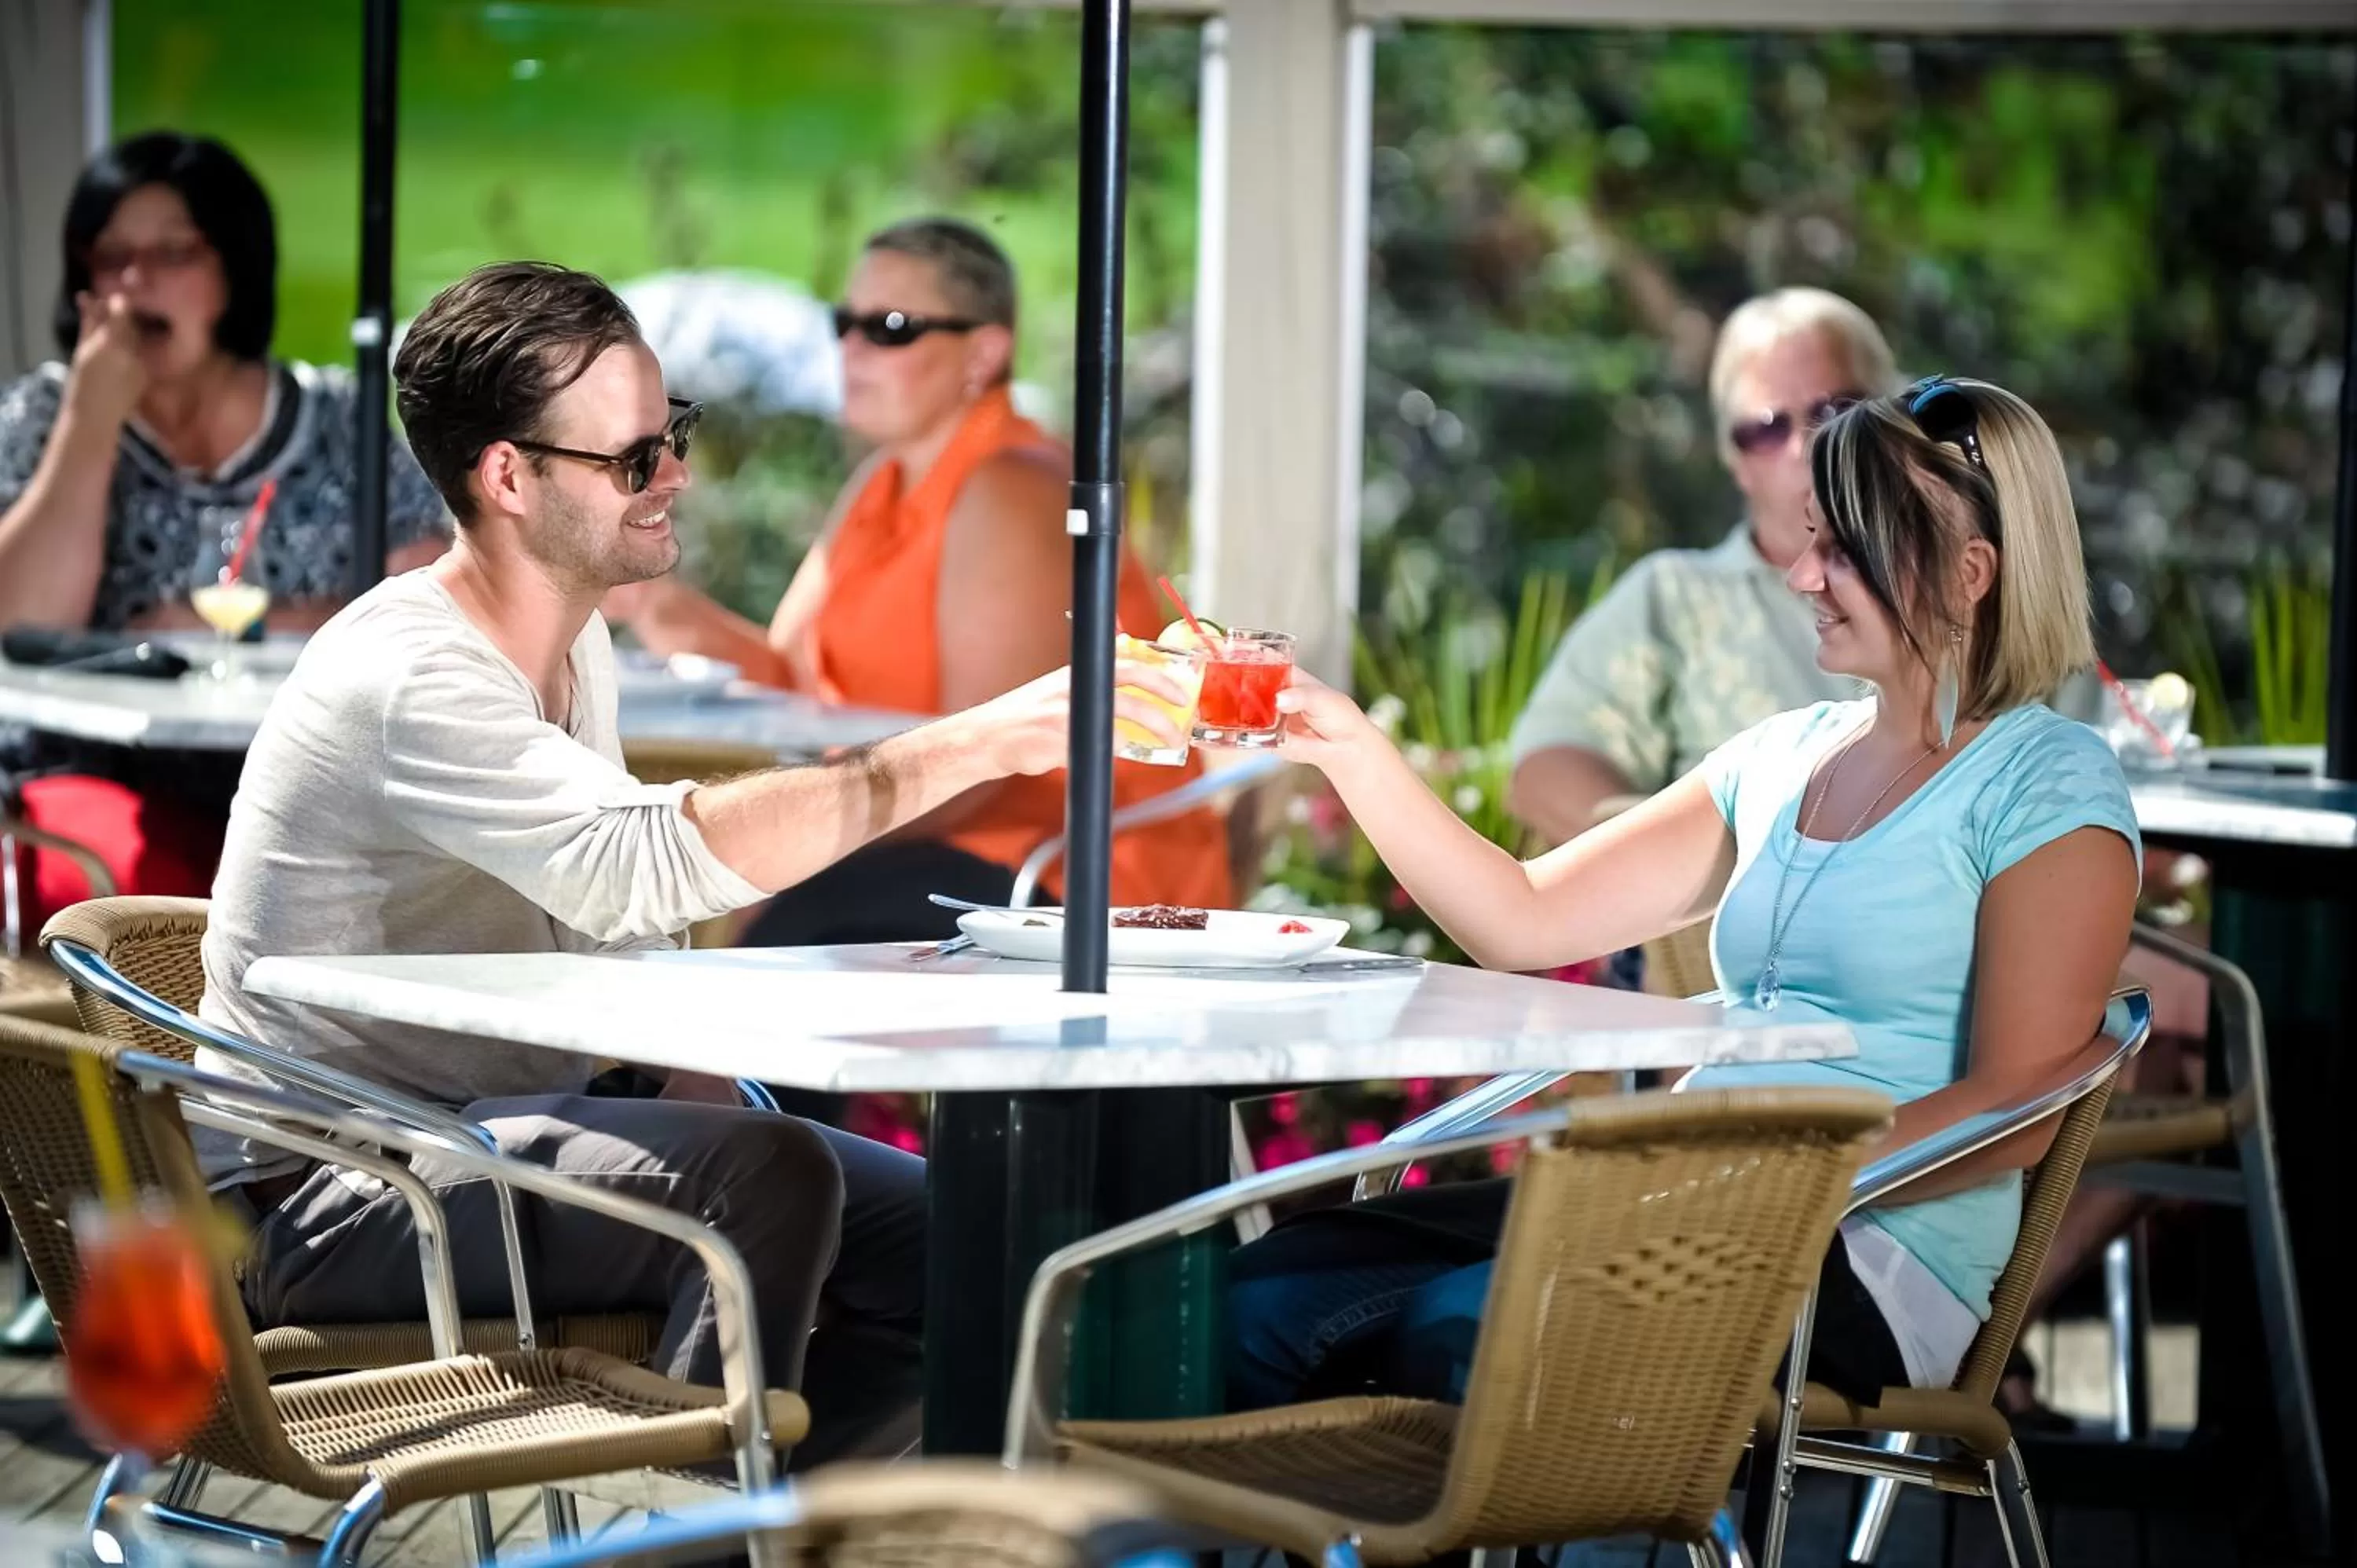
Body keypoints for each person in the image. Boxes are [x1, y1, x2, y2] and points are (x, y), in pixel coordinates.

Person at [195, 261, 1189, 1466]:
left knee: (956, 1237)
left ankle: (800, 1522)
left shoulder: (574, 635)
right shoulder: (415, 671)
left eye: (674, 436)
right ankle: (708, 1524)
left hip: (500, 1127)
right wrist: (982, 741)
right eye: (633, 460)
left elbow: (604, 922)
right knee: (763, 1174)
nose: (675, 475)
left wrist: (687, 1068)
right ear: (508, 476)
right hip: (334, 1190)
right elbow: (636, 863)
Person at [1226, 376, 2139, 1412]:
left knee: (1464, 1333)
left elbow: (2015, 1110)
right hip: (1671, 1205)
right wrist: (1347, 747)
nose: (1801, 576)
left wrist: (1747, 1190)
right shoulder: (1786, 755)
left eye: (1842, 551)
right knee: (1266, 1294)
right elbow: (1521, 920)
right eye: (1811, 539)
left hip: (1867, 1259)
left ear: (1969, 573)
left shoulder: (2047, 782)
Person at [605, 217, 1230, 943]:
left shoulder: (1012, 490)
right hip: (924, 840)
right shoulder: (888, 480)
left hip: (1059, 880)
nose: (852, 349)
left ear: (984, 351)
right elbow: (790, 688)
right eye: (846, 323)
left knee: (749, 931)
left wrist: (796, 841)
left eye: (891, 327)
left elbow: (986, 766)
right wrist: (652, 599)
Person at [0, 133, 449, 921]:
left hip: (310, 777)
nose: (136, 283)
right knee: (179, 895)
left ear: (233, 269)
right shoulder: (47, 414)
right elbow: (20, 621)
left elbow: (435, 603)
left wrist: (248, 626)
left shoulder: (337, 417)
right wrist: (92, 419)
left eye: (173, 254)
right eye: (110, 258)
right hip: (92, 772)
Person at [1506, 288, 1901, 848]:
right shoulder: (1674, 599)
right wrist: (1710, 873)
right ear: (1734, 459)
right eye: (1764, 429)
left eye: (1834, 411)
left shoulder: (1976, 592)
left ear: (1895, 422)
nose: (1801, 447)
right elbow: (1543, 772)